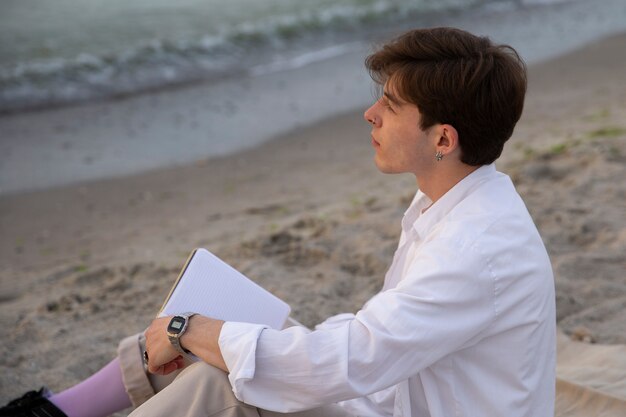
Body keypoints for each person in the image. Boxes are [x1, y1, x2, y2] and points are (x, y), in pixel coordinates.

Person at [1, 27, 556, 417]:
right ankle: (61, 409)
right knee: (220, 323)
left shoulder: (477, 250)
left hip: (391, 402)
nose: (370, 114)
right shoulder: (454, 205)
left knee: (228, 387)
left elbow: (353, 360)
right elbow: (375, 342)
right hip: (390, 397)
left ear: (442, 138)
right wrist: (203, 330)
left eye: (390, 104)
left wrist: (194, 334)